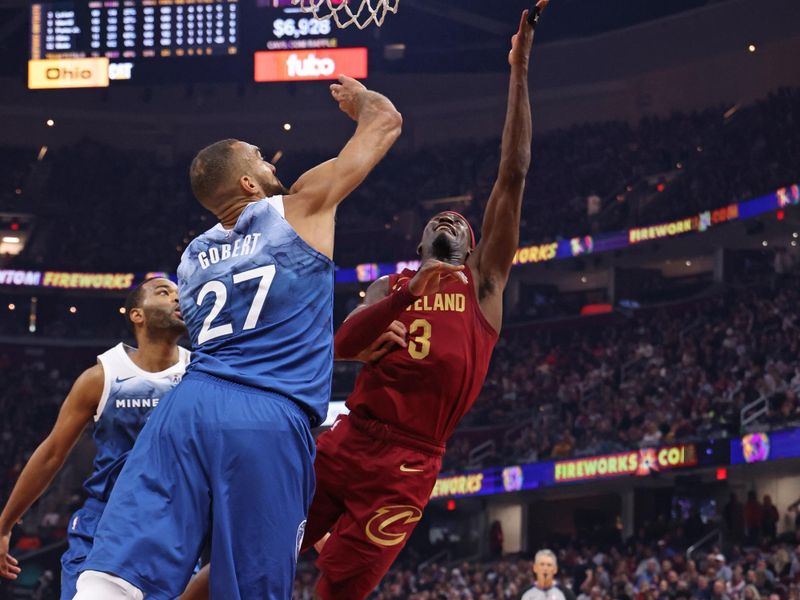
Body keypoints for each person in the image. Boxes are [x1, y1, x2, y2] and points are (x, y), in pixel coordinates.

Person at [73, 74, 402, 600]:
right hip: (266, 416)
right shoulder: (300, 207)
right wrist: (360, 99)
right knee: (252, 584)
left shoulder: (190, 258)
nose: (272, 163)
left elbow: (254, 328)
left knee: (119, 570)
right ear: (249, 185)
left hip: (186, 410)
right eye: (260, 158)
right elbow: (386, 122)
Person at [299, 6, 546, 599]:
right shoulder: (395, 286)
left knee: (339, 591)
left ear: (476, 245)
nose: (449, 219)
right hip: (351, 436)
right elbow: (343, 345)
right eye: (439, 218)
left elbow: (512, 173)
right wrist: (403, 294)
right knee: (256, 546)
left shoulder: (485, 286)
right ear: (420, 242)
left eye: (460, 220)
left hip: (409, 463)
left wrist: (519, 70)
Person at [0, 278, 189, 599]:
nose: (176, 298)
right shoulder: (102, 376)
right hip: (106, 526)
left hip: (178, 528)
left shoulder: (198, 373)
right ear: (136, 315)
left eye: (178, 293)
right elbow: (51, 454)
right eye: (163, 292)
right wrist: (5, 524)